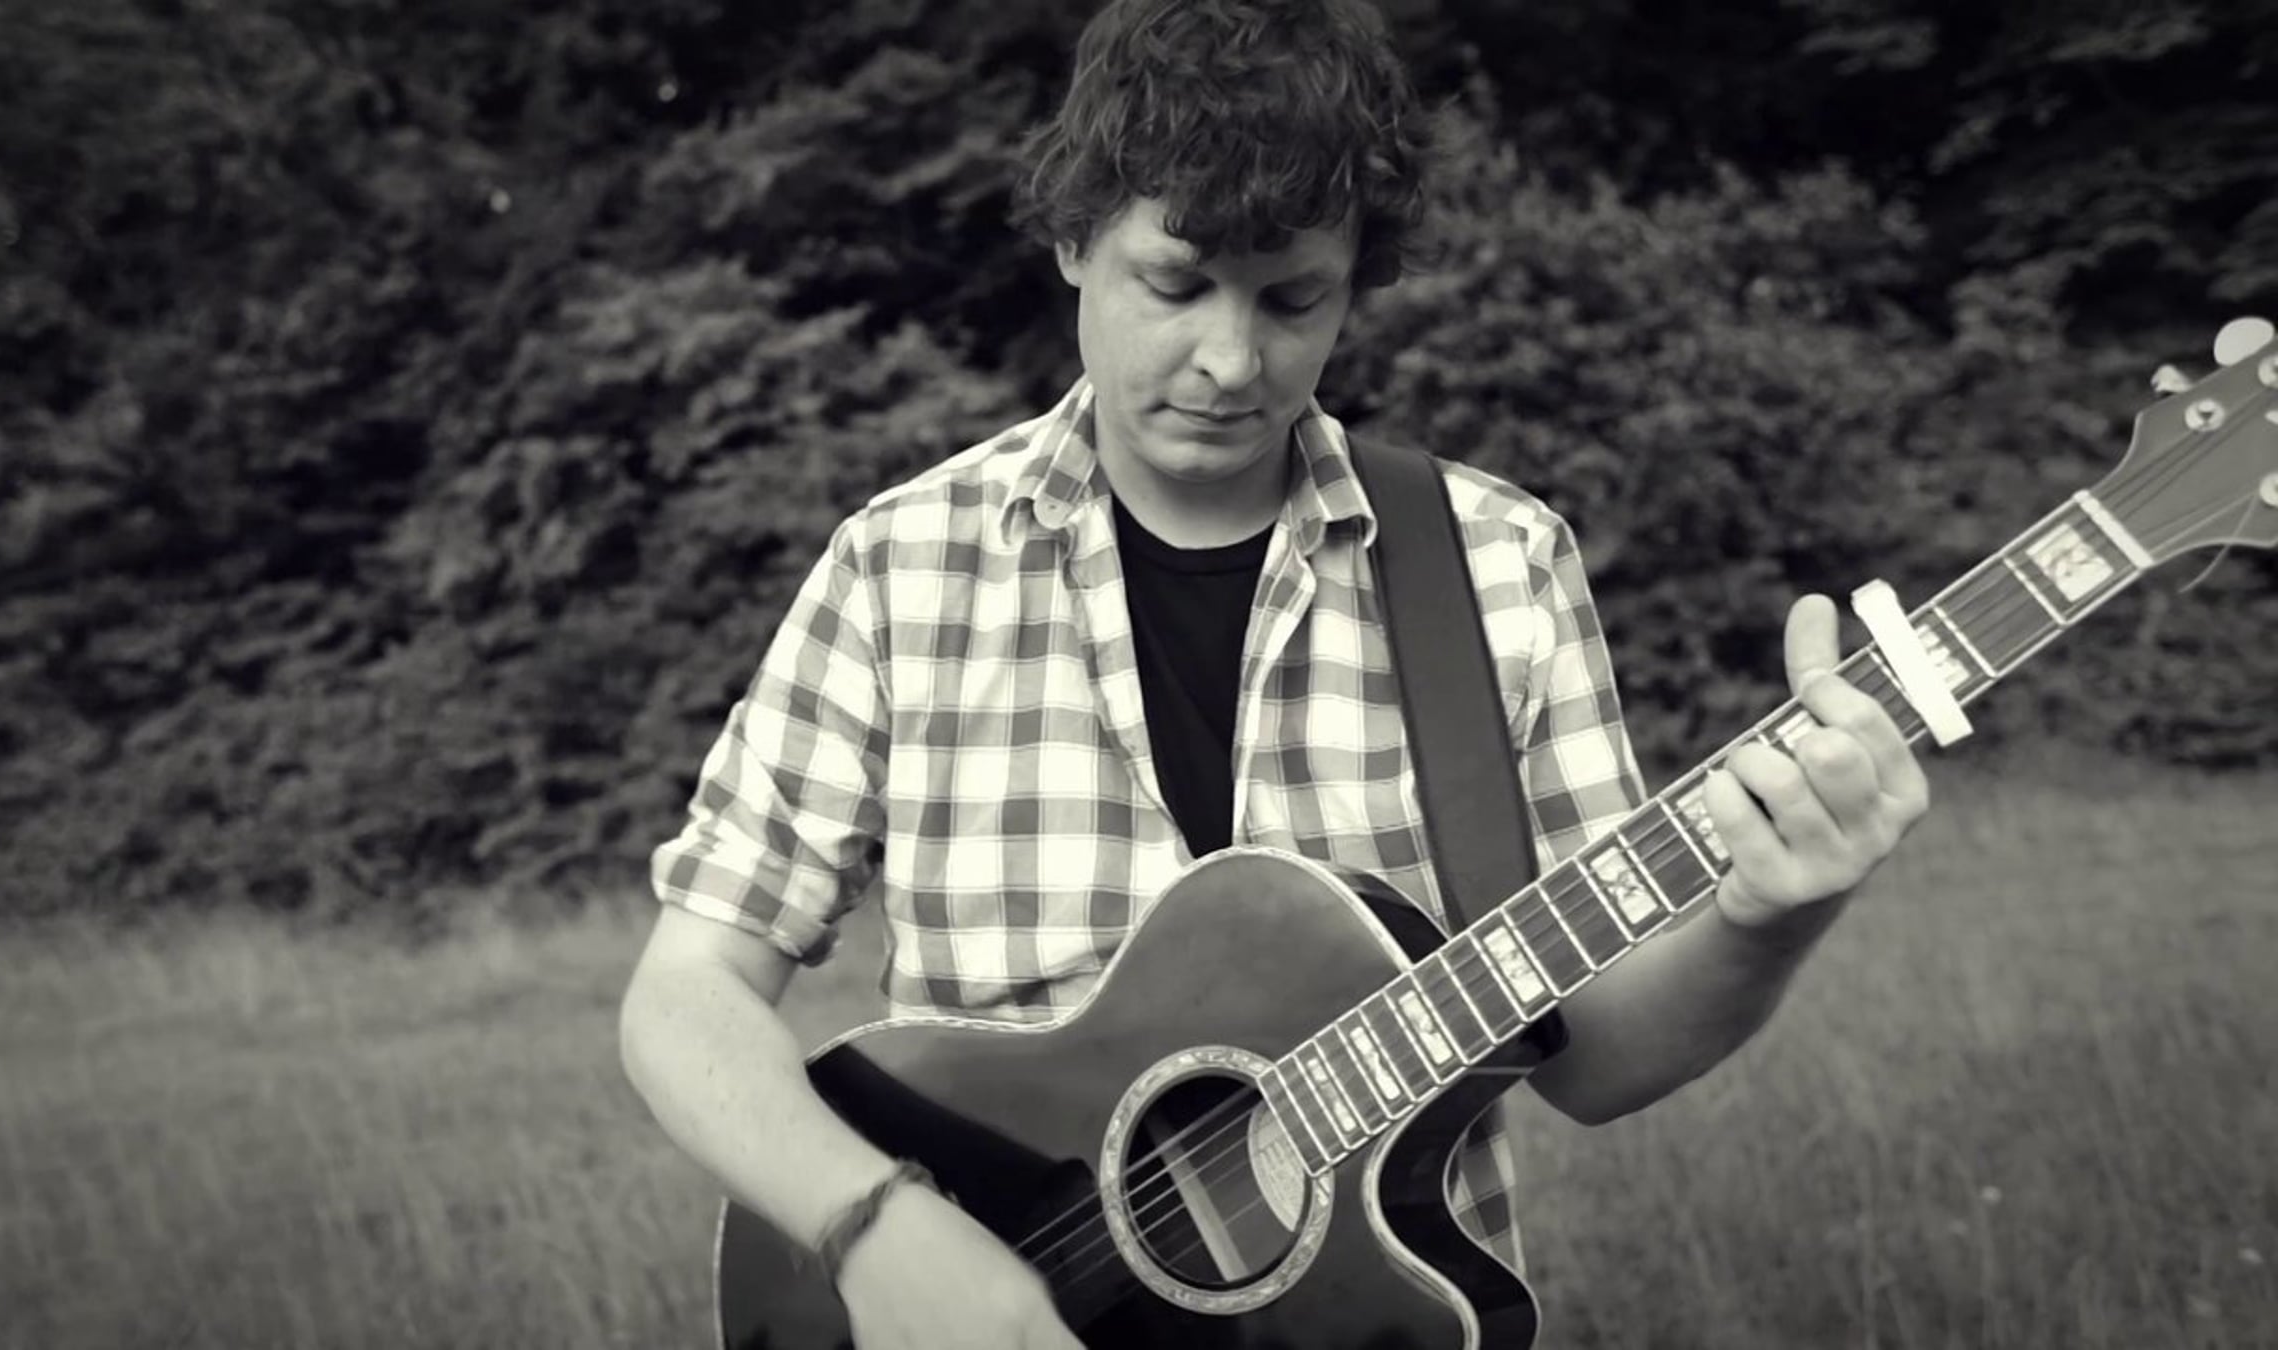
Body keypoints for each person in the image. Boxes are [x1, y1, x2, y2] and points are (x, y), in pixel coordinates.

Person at [617, 1, 1931, 1347]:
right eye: (1176, 285)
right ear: (1074, 240)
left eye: (1293, 299)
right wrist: (874, 1229)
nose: (1232, 361)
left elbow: (1591, 1060)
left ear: (1355, 283)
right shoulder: (902, 565)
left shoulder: (1497, 567)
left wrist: (1770, 917)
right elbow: (685, 995)